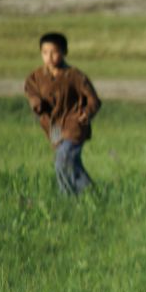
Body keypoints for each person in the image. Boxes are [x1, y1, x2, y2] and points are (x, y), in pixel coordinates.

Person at [23, 32, 101, 195]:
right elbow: (31, 92)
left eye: (54, 52)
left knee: (62, 160)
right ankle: (91, 194)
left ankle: (67, 197)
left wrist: (87, 113)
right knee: (70, 162)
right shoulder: (36, 77)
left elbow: (94, 99)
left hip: (74, 124)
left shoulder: (75, 75)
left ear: (64, 52)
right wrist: (36, 103)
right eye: (45, 52)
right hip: (54, 127)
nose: (49, 57)